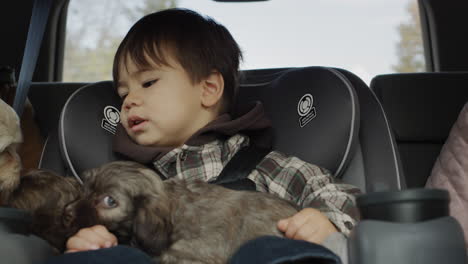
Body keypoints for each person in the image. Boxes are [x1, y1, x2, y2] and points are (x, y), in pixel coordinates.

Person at [59, 8, 360, 264]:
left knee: (269, 250)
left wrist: (325, 223)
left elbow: (341, 196)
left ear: (209, 89)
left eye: (148, 82)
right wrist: (93, 241)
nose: (129, 100)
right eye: (123, 93)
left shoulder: (267, 167)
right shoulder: (126, 187)